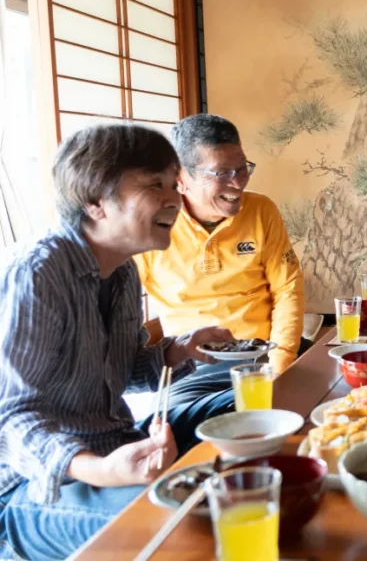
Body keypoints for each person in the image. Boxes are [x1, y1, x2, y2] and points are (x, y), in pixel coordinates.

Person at [0, 124, 236, 560]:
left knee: (246, 405)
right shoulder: (36, 273)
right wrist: (101, 470)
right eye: (154, 185)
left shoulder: (124, 269)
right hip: (36, 486)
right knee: (184, 523)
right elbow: (11, 418)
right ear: (94, 200)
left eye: (173, 184)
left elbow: (124, 372)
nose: (174, 199)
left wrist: (178, 351)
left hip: (118, 442)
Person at [136, 114, 305, 406]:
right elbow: (118, 308)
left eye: (242, 168)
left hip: (262, 355)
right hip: (192, 366)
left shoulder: (261, 210)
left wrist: (281, 364)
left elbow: (287, 289)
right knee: (182, 422)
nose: (238, 183)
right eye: (222, 173)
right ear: (180, 179)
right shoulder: (150, 225)